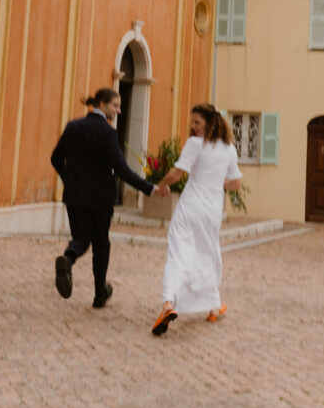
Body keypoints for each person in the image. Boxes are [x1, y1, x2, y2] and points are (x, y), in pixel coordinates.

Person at [51, 87, 157, 308]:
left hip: (75, 195)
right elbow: (121, 168)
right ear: (101, 103)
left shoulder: (73, 126)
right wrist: (149, 188)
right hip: (101, 198)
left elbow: (55, 158)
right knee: (101, 244)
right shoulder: (107, 132)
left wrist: (69, 179)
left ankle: (68, 259)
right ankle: (100, 293)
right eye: (115, 106)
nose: (119, 111)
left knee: (80, 238)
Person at [151, 104, 242, 336]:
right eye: (192, 122)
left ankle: (168, 303)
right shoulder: (230, 149)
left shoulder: (195, 145)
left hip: (190, 208)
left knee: (178, 252)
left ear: (210, 123)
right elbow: (236, 184)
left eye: (197, 123)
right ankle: (213, 306)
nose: (192, 127)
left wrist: (159, 186)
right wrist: (215, 182)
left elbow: (176, 173)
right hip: (212, 211)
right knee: (207, 253)